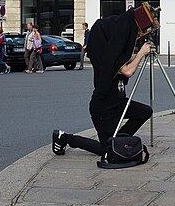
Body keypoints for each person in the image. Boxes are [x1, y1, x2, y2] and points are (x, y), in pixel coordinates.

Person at [52, 9, 153, 161]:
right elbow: (127, 71)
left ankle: (117, 140)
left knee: (145, 111)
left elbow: (126, 60)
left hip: (118, 103)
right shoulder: (109, 57)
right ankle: (65, 138)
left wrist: (136, 55)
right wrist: (141, 54)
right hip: (104, 108)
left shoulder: (116, 53)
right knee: (105, 150)